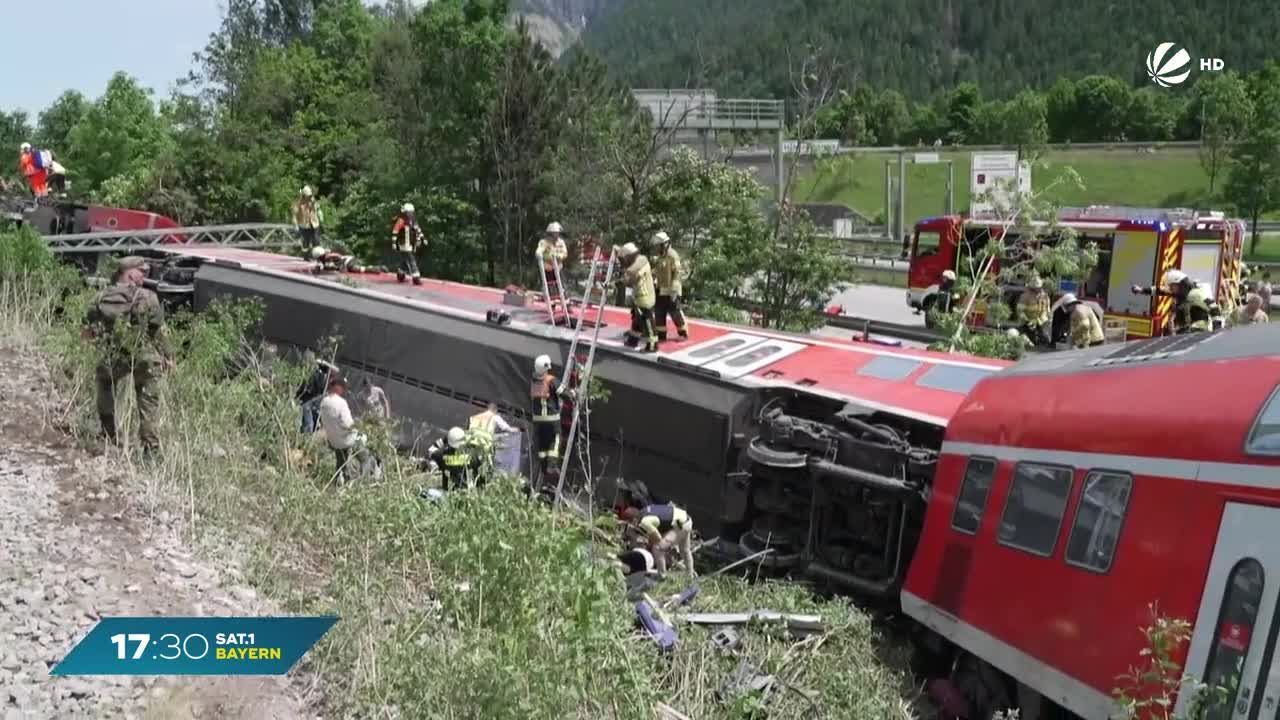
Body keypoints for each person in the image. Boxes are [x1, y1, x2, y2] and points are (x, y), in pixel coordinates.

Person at [82, 256, 172, 453]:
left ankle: (107, 433)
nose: (144, 276)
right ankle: (151, 449)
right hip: (143, 356)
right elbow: (158, 332)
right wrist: (168, 357)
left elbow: (87, 332)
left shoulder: (100, 297)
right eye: (142, 272)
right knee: (148, 401)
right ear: (131, 273)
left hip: (114, 355)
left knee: (104, 382)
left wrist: (99, 347)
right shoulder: (148, 297)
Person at [318, 375, 377, 483]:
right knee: (365, 457)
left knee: (341, 460)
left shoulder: (324, 402)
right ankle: (364, 481)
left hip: (334, 441)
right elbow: (348, 425)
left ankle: (339, 479)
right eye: (343, 387)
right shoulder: (341, 403)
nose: (344, 390)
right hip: (346, 440)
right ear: (338, 387)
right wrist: (358, 427)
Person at [1131, 269, 1221, 335]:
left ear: (1180, 284)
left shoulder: (1196, 294)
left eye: (1172, 286)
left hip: (1198, 331)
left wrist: (1217, 330)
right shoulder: (1179, 292)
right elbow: (1160, 290)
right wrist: (1141, 290)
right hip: (1186, 331)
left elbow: (1214, 308)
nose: (1170, 289)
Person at [620, 501, 696, 575]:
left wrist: (650, 545)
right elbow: (657, 531)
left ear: (634, 520)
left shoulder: (644, 522)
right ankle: (690, 575)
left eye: (629, 524)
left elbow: (658, 538)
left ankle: (662, 576)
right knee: (685, 550)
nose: (632, 526)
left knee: (657, 548)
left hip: (679, 524)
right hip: (685, 518)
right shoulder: (644, 511)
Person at [530, 354, 570, 481]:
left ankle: (544, 468)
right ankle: (552, 466)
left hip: (537, 420)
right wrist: (573, 396)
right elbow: (563, 393)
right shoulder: (551, 380)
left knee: (542, 445)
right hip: (551, 418)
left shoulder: (534, 381)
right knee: (556, 439)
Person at [618, 242, 659, 353]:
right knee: (637, 320)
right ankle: (633, 340)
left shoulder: (635, 268)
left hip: (645, 298)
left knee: (647, 322)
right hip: (640, 297)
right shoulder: (642, 259)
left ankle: (652, 345)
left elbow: (628, 280)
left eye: (625, 259)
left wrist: (614, 282)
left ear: (629, 256)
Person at [649, 231, 689, 343]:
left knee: (675, 312)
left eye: (658, 246)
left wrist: (674, 289)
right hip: (661, 289)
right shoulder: (660, 257)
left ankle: (683, 333)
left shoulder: (672, 255)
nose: (656, 248)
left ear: (664, 244)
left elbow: (677, 272)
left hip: (672, 291)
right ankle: (661, 335)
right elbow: (657, 271)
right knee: (659, 312)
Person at [295, 354, 336, 434]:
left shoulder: (323, 378)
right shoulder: (316, 375)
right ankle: (307, 433)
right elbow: (311, 388)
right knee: (308, 416)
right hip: (306, 402)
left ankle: (310, 432)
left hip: (312, 403)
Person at [391, 203, 425, 285]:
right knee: (411, 260)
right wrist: (394, 243)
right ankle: (416, 278)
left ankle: (401, 274)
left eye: (412, 212)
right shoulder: (401, 220)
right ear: (406, 212)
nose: (411, 214)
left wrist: (422, 238)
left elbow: (417, 230)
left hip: (410, 244)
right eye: (409, 212)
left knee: (404, 260)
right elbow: (395, 231)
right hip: (403, 244)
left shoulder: (412, 220)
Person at [1016, 275, 1051, 346]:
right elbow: (1019, 311)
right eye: (1036, 288)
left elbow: (1047, 309)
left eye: (1039, 287)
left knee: (1045, 340)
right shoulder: (1025, 296)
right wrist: (1027, 321)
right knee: (1031, 342)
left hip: (1041, 322)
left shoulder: (1045, 296)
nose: (1038, 289)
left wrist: (1049, 319)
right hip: (1027, 323)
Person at [292, 186, 324, 250]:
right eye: (307, 196)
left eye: (310, 195)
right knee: (306, 242)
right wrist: (295, 225)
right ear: (303, 195)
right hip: (304, 225)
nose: (309, 197)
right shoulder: (298, 204)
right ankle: (307, 255)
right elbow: (294, 215)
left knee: (316, 240)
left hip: (314, 223)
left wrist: (320, 215)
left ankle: (317, 255)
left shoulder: (313, 202)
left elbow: (318, 209)